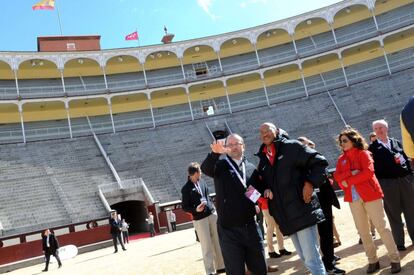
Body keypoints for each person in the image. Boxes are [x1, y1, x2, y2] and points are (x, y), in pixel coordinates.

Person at [201, 134, 278, 275]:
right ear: (226, 148)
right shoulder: (220, 165)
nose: (234, 147)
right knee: (235, 271)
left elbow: (257, 188)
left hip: (250, 226)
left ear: (244, 146)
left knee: (259, 268)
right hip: (228, 229)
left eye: (237, 143)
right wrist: (214, 154)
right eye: (230, 145)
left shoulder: (250, 167)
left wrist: (265, 189)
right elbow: (205, 168)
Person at [255, 123, 327, 275]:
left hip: (303, 210)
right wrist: (265, 189)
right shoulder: (263, 158)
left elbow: (319, 162)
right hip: (286, 217)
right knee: (305, 259)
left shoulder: (292, 146)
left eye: (267, 130)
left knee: (312, 260)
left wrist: (310, 183)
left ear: (276, 131)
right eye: (261, 132)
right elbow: (262, 183)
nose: (264, 134)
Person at [334, 128, 401, 274]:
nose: (342, 143)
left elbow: (368, 173)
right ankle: (373, 260)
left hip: (371, 195)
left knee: (382, 228)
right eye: (341, 142)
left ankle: (395, 259)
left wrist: (348, 181)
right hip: (353, 199)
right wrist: (351, 173)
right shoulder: (341, 159)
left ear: (353, 140)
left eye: (345, 140)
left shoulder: (364, 153)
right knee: (363, 231)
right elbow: (337, 177)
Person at [298, 137, 345, 274]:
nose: (308, 148)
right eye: (305, 146)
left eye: (309, 145)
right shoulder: (296, 165)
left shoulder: (317, 160)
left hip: (324, 200)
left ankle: (329, 264)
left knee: (327, 233)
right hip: (308, 203)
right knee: (312, 238)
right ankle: (316, 267)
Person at [370, 119, 414, 251]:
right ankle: (399, 243)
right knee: (393, 213)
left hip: (405, 180)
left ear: (387, 128)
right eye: (376, 128)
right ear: (374, 131)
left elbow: (406, 159)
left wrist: (410, 176)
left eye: (381, 127)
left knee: (411, 210)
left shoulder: (397, 142)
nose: (379, 130)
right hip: (388, 184)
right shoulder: (372, 149)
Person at [181, 162, 225, 275]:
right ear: (195, 173)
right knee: (206, 245)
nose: (201, 173)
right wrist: (196, 210)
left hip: (211, 215)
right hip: (199, 219)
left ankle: (221, 266)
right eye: (199, 171)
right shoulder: (185, 189)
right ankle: (210, 271)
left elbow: (208, 196)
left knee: (217, 241)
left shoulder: (203, 182)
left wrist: (212, 207)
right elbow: (185, 207)